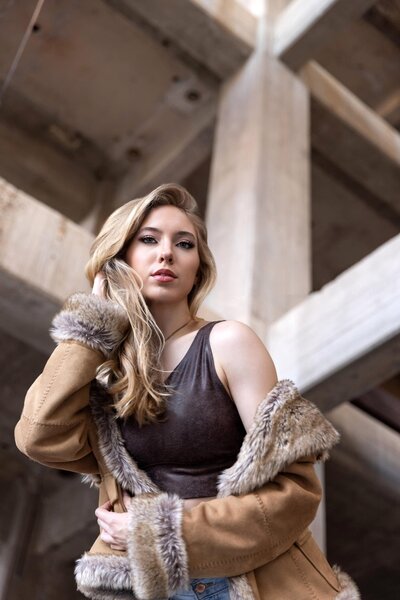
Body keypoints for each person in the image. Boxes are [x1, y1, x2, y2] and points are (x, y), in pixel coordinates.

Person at [15, 183, 359, 600]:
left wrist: (161, 528)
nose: (167, 254)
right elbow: (38, 436)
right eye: (148, 239)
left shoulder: (229, 343)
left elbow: (295, 494)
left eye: (184, 244)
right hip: (154, 587)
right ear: (119, 258)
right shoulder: (108, 384)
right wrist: (91, 329)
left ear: (198, 267)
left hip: (254, 582)